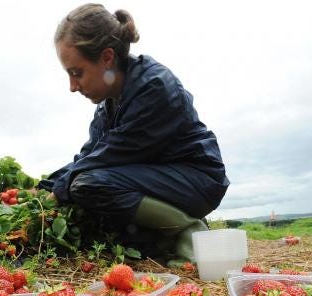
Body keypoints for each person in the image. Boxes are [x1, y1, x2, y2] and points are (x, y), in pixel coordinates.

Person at [38, 3, 229, 266]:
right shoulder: (108, 104)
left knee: (87, 185)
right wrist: (45, 187)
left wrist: (60, 190)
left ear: (107, 57)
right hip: (159, 178)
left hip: (198, 179)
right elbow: (90, 155)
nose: (72, 86)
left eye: (76, 72)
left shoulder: (155, 88)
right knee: (85, 189)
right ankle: (159, 238)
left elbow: (108, 156)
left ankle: (188, 229)